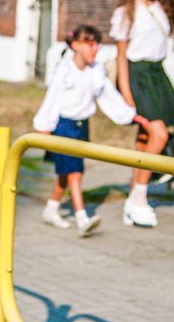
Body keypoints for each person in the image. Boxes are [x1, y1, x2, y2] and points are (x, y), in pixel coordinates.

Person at [33, 25, 143, 237]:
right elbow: (53, 98)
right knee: (75, 172)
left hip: (82, 126)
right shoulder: (65, 70)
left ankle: (51, 208)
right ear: (75, 45)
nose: (94, 49)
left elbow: (107, 96)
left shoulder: (96, 71)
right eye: (89, 44)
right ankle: (82, 217)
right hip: (64, 126)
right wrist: (44, 127)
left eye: (96, 45)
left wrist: (129, 115)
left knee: (66, 173)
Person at [111, 0, 174, 228]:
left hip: (157, 74)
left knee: (145, 137)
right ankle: (140, 198)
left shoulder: (161, 8)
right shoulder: (126, 13)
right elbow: (121, 58)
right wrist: (127, 96)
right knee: (159, 134)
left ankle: (133, 196)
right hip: (137, 75)